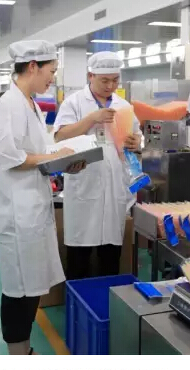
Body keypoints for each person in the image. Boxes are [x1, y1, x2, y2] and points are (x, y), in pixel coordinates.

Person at [0, 40, 86, 355]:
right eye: (51, 71)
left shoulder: (30, 104)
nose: (52, 79)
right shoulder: (10, 104)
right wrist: (52, 158)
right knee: (18, 289)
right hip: (18, 214)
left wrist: (63, 162)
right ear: (33, 67)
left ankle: (26, 350)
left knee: (31, 287)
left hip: (33, 208)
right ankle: (17, 356)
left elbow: (37, 153)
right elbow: (10, 156)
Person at [53, 51, 142, 280]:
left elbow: (137, 136)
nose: (110, 86)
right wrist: (92, 118)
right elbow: (60, 135)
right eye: (105, 80)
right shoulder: (74, 102)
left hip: (114, 189)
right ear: (90, 76)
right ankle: (78, 299)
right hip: (84, 186)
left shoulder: (123, 106)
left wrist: (137, 142)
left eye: (115, 80)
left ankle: (104, 299)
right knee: (79, 260)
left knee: (110, 259)